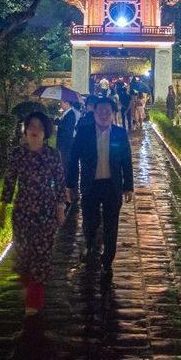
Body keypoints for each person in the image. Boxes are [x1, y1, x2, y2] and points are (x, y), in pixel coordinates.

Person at [0, 111, 67, 316]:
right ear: (25, 130)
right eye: (31, 126)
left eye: (39, 127)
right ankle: (29, 285)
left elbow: (60, 183)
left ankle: (34, 300)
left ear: (46, 132)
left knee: (41, 257)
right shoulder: (17, 155)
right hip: (23, 212)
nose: (35, 130)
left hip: (46, 213)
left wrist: (60, 208)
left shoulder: (52, 155)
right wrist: (3, 208)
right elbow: (10, 181)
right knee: (23, 256)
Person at [67, 97, 133, 276]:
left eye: (107, 112)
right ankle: (89, 245)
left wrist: (128, 186)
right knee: (90, 221)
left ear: (112, 114)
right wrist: (70, 185)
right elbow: (73, 159)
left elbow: (126, 161)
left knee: (112, 224)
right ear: (94, 113)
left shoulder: (119, 133)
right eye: (100, 112)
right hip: (91, 185)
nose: (104, 115)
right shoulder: (84, 133)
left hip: (112, 185)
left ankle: (108, 258)